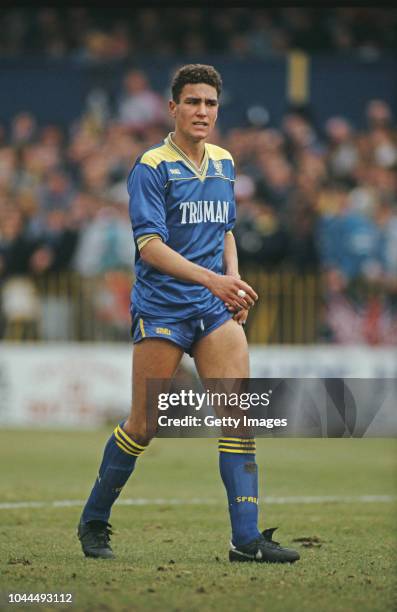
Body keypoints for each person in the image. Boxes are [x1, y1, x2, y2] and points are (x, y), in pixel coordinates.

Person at [77, 64, 300, 564]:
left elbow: (225, 230)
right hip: (162, 310)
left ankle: (245, 540)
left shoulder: (224, 161)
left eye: (211, 103)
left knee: (238, 418)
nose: (203, 111)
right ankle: (93, 522)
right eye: (193, 102)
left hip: (211, 309)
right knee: (143, 426)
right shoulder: (151, 167)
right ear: (172, 107)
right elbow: (150, 247)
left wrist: (233, 285)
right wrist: (215, 281)